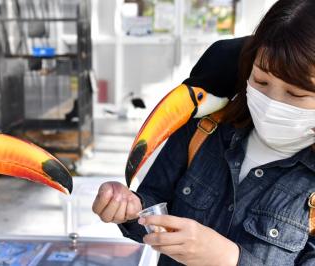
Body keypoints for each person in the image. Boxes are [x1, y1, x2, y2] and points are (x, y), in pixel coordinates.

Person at [92, 0, 315, 265]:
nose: (272, 103)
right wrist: (129, 207)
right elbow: (154, 201)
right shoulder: (204, 130)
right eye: (261, 80)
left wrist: (229, 259)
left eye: (296, 93)